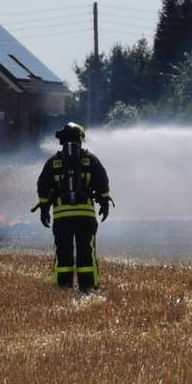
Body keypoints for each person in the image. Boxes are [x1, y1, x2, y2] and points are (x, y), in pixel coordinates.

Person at [33, 122, 113, 293]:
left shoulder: (53, 162)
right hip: (86, 216)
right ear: (80, 139)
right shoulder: (91, 160)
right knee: (86, 251)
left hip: (62, 217)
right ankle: (88, 287)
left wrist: (44, 210)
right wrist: (104, 203)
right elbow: (102, 182)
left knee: (63, 253)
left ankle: (63, 287)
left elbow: (43, 185)